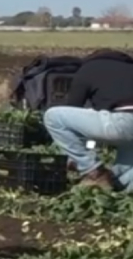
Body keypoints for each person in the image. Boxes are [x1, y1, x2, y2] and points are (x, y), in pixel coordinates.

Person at [43, 49, 133, 191]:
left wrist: (75, 156)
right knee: (124, 173)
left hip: (119, 122)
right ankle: (116, 187)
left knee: (53, 116)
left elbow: (73, 107)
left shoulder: (88, 69)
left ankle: (94, 171)